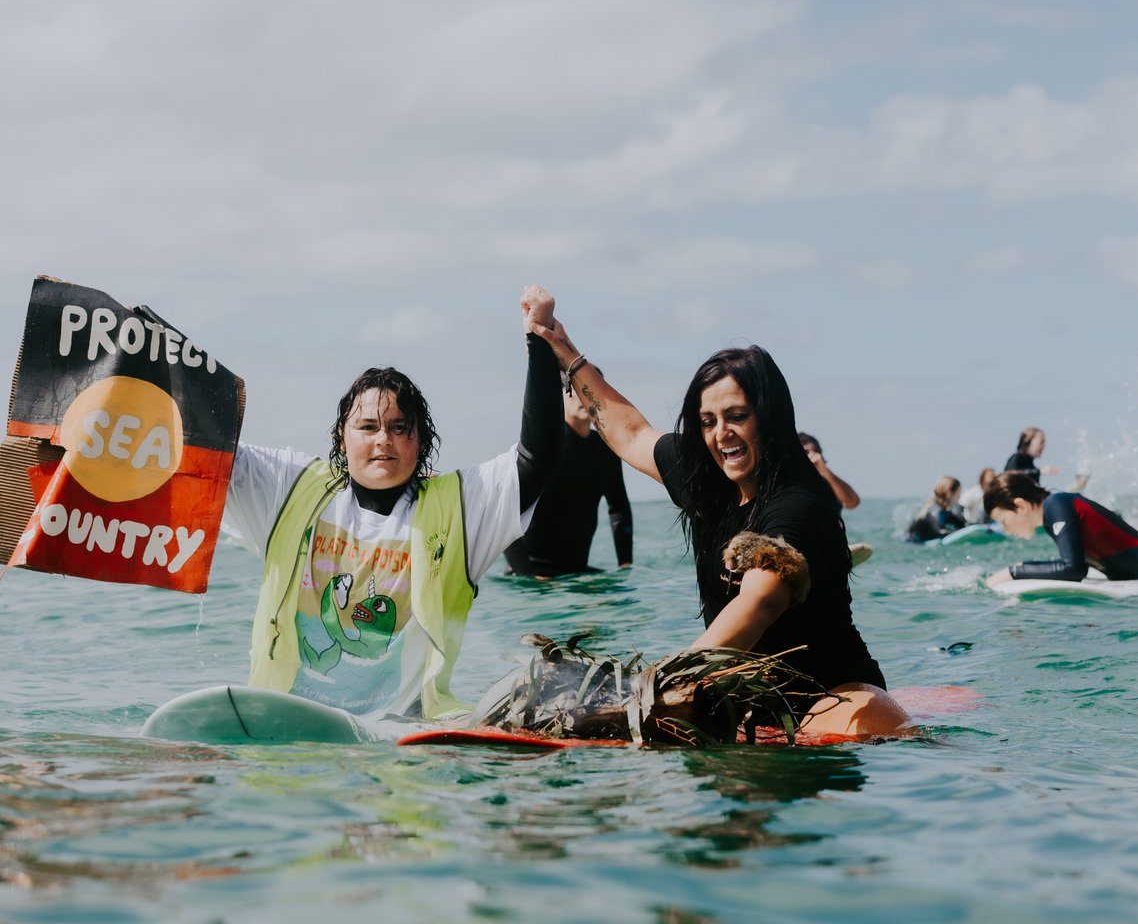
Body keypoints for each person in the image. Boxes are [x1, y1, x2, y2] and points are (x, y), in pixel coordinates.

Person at [526, 307, 908, 738]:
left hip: (829, 695)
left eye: (737, 416)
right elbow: (629, 433)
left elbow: (759, 602)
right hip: (750, 697)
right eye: (708, 422)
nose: (720, 432)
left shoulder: (798, 504)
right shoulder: (706, 484)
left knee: (869, 725)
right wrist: (566, 353)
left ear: (770, 416)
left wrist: (662, 687)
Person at [219, 286, 563, 721]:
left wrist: (539, 339)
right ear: (342, 437)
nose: (383, 439)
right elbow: (209, 449)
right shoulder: (290, 489)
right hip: (286, 717)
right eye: (367, 426)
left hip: (405, 730)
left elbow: (539, 459)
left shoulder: (457, 507)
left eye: (400, 427)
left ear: (420, 440)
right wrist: (150, 355)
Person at [504, 373, 634, 576]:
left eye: (590, 388)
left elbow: (619, 508)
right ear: (559, 397)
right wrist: (528, 576)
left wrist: (626, 565)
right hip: (533, 573)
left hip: (577, 572)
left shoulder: (606, 450)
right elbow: (506, 510)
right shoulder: (543, 447)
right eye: (575, 389)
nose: (584, 395)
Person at [983, 471, 1138, 587]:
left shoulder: (1056, 505)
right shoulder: (1052, 517)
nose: (1007, 530)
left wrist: (1013, 572)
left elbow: (1073, 569)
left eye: (1003, 520)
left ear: (1020, 506)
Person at [796, 432, 860, 510]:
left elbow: (852, 503)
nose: (810, 456)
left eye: (815, 452)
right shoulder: (785, 481)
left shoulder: (829, 482)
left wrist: (824, 470)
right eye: (805, 452)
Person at [905, 476, 966, 542]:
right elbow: (941, 532)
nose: (960, 497)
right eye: (958, 493)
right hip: (912, 542)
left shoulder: (945, 510)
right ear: (949, 494)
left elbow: (962, 525)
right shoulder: (933, 510)